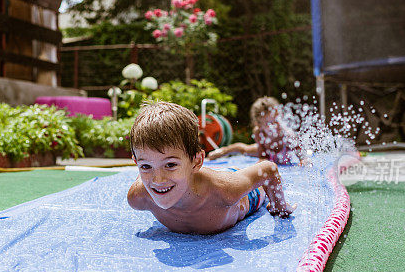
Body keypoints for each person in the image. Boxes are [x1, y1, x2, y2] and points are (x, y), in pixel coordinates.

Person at [127, 101, 296, 235]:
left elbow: (268, 169)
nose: (158, 180)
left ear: (197, 161)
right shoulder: (139, 197)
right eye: (146, 166)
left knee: (257, 166)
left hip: (246, 195)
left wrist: (279, 206)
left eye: (170, 165)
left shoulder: (225, 191)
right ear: (136, 163)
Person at [206, 96, 310, 166]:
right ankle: (221, 151)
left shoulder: (287, 135)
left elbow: (301, 154)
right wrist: (262, 162)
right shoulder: (259, 133)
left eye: (277, 121)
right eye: (269, 124)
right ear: (259, 125)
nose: (275, 126)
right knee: (244, 150)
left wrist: (303, 161)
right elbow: (263, 157)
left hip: (281, 153)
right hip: (269, 153)